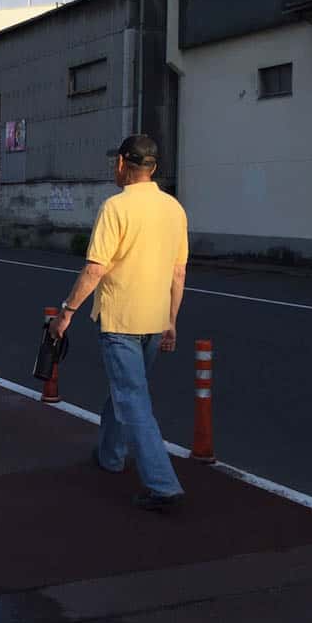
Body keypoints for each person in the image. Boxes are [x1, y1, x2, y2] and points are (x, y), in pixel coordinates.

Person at [49, 135, 188, 512]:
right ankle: (110, 454)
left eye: (116, 162)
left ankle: (163, 484)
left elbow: (96, 268)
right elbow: (178, 273)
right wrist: (172, 320)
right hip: (156, 318)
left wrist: (67, 312)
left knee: (133, 400)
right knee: (126, 389)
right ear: (153, 168)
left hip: (122, 318)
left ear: (124, 165)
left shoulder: (116, 207)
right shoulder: (174, 209)